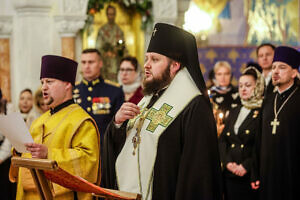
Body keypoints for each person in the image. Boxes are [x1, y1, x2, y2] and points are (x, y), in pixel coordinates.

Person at [102, 23, 222, 199]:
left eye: (155, 60)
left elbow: (198, 174)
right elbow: (130, 147)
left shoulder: (194, 105)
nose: (147, 65)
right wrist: (118, 124)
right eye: (147, 58)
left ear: (174, 65)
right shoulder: (149, 99)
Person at [12, 55, 100, 200]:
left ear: (67, 85)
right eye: (42, 82)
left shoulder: (81, 121)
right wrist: (19, 150)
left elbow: (89, 162)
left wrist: (49, 154)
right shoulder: (38, 121)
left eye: (49, 82)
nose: (44, 87)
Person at [251, 46, 300, 200]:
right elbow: (258, 139)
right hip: (268, 175)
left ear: (294, 73)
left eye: (282, 67)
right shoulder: (268, 100)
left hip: (293, 174)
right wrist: (255, 172)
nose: (276, 71)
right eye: (273, 67)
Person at [219, 66, 264, 200]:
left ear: (258, 87)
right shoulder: (235, 110)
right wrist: (227, 162)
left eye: (248, 85)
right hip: (229, 173)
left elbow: (262, 146)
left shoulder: (263, 112)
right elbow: (222, 140)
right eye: (240, 85)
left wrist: (245, 166)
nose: (243, 89)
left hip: (250, 174)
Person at [73, 48, 124, 148]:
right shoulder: (72, 90)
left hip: (103, 147)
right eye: (83, 62)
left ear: (100, 63)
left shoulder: (114, 91)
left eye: (91, 62)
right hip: (77, 147)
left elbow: (119, 125)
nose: (87, 66)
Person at [96, 5, 126, 82]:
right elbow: (98, 48)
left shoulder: (119, 30)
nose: (111, 16)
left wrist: (118, 51)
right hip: (105, 64)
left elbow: (122, 47)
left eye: (112, 14)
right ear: (106, 15)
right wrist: (106, 53)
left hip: (116, 63)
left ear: (115, 15)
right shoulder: (102, 30)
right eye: (109, 14)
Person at [0, 95, 17, 200]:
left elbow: (10, 137)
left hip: (6, 158)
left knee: (5, 191)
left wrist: (1, 157)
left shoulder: (9, 108)